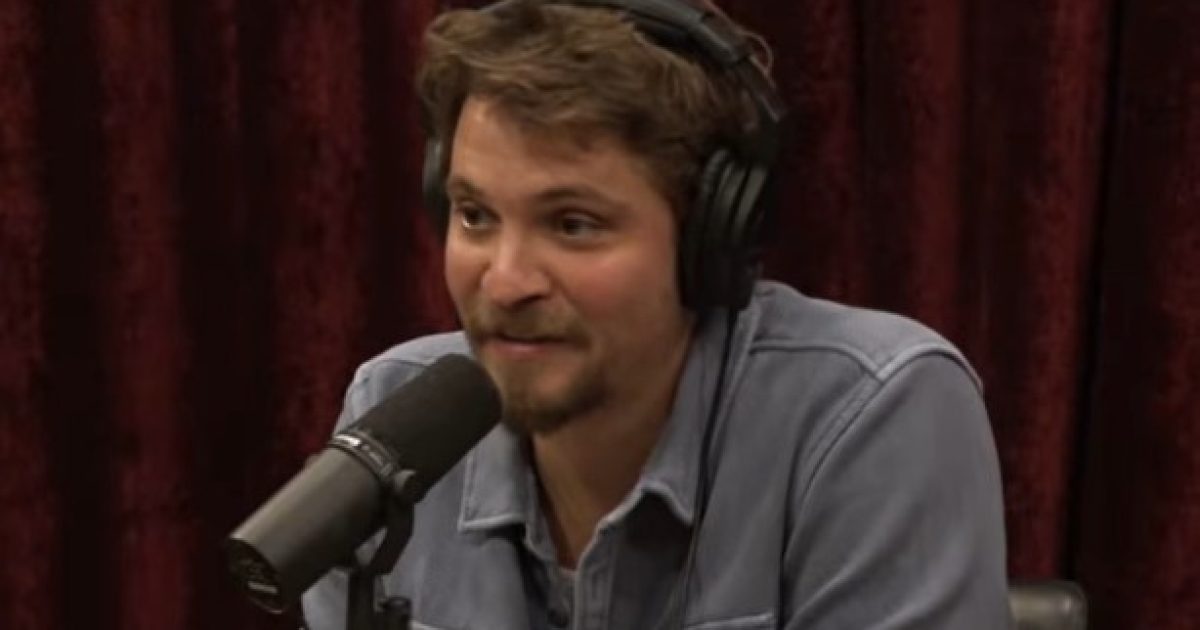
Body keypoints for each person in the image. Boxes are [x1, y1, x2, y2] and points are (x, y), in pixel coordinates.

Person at [302, 0, 1009, 628]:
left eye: (573, 224)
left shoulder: (871, 415)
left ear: (708, 239)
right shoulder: (394, 423)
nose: (507, 282)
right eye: (475, 215)